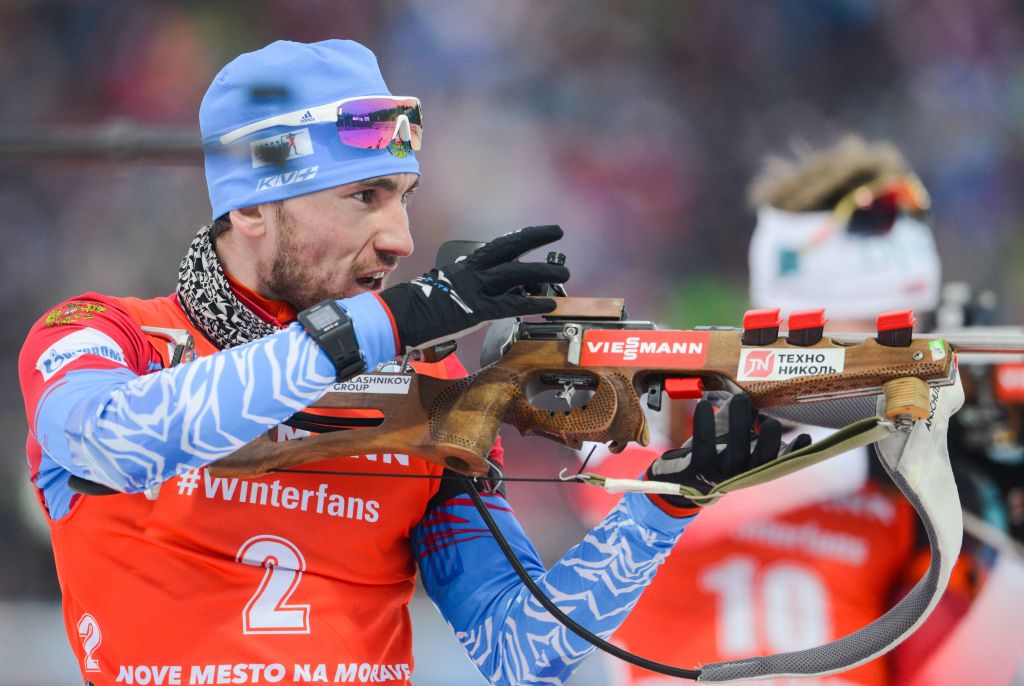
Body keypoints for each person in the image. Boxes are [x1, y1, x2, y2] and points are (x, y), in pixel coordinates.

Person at [17, 40, 794, 686]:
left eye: (406, 198)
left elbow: (523, 650)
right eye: (365, 196)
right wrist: (385, 323)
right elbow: (109, 443)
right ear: (251, 207)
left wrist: (667, 503)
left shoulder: (426, 393)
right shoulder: (105, 335)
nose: (401, 240)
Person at [574, 135, 1020, 686]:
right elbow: (617, 513)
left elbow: (943, 678)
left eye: (911, 329)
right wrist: (859, 457)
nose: (899, 362)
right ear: (793, 324)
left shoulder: (909, 485)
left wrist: (1011, 549)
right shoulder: (674, 405)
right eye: (872, 331)